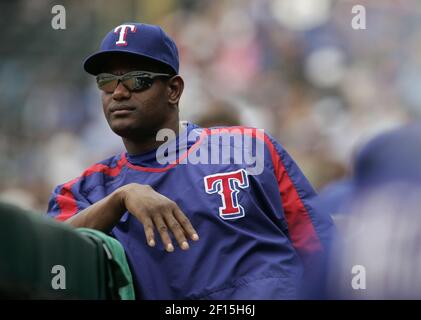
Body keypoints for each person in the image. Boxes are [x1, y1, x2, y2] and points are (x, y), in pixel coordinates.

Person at [47, 22, 334, 299]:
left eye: (137, 80)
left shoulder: (250, 148)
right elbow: (47, 258)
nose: (119, 92)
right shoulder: (86, 191)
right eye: (107, 82)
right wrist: (119, 199)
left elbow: (322, 250)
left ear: (173, 90)